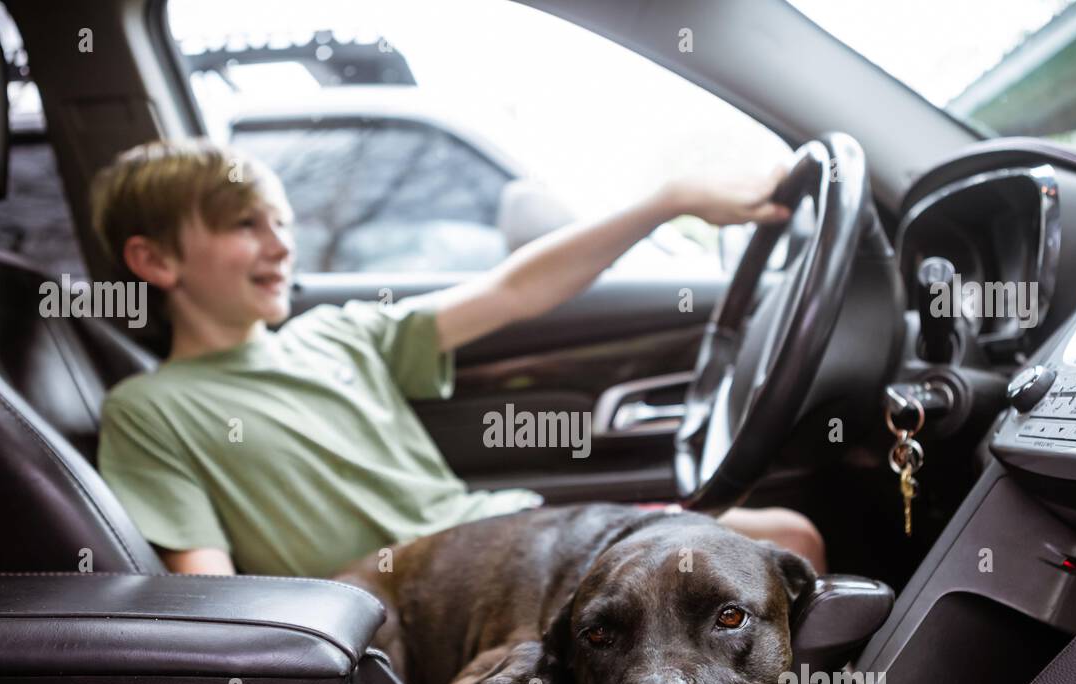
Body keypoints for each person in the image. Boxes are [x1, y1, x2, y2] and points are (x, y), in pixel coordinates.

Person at [92, 139, 826, 578]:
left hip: (521, 533)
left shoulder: (338, 334)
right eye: (244, 227)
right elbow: (213, 602)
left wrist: (666, 203)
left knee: (790, 537)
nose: (281, 246)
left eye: (281, 222)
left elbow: (516, 288)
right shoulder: (150, 409)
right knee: (779, 551)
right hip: (444, 592)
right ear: (153, 259)